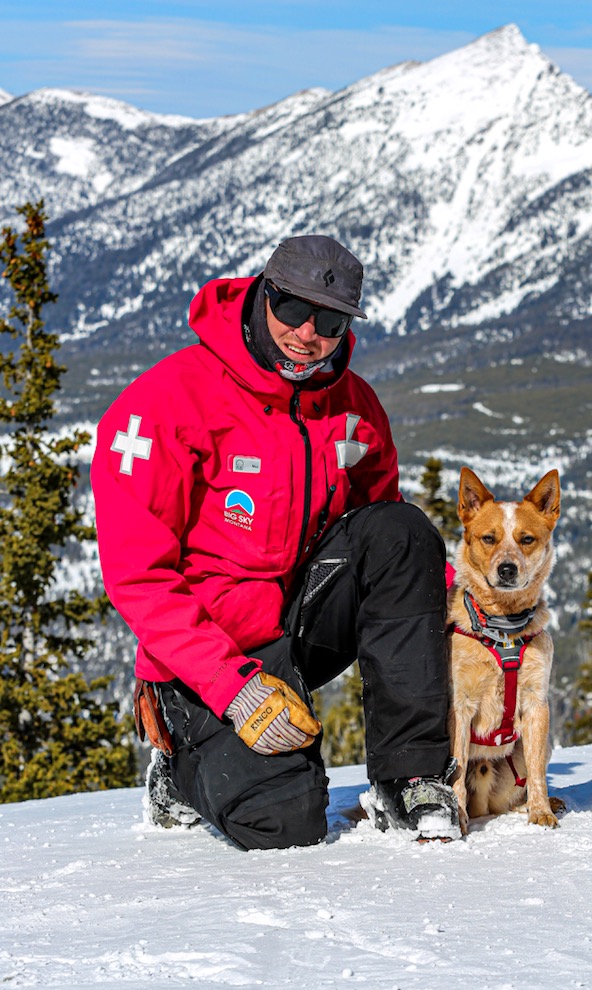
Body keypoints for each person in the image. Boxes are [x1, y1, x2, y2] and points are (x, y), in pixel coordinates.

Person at [91, 235, 458, 849]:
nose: (307, 333)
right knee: (282, 825)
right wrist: (232, 686)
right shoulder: (165, 403)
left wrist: (462, 611)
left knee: (404, 530)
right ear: (263, 294)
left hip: (298, 621)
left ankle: (410, 776)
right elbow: (140, 579)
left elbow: (384, 541)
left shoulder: (353, 407)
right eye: (292, 309)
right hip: (206, 649)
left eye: (331, 319)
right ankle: (179, 769)